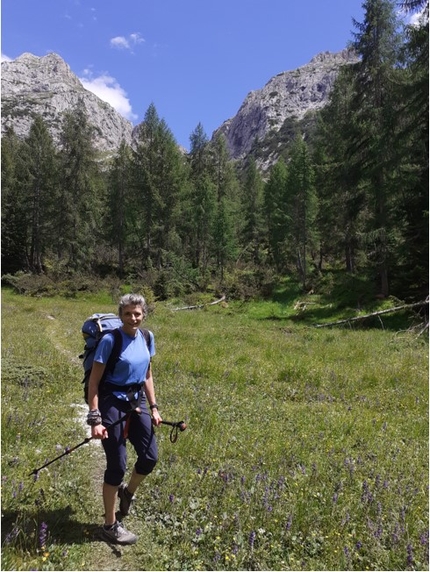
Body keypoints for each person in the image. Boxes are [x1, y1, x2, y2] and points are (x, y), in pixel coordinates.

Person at [86, 293, 162, 545]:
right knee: (117, 465)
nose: (133, 318)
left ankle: (127, 493)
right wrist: (95, 418)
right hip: (111, 401)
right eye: (128, 313)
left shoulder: (147, 337)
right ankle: (109, 525)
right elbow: (94, 382)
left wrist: (154, 407)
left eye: (137, 313)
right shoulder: (110, 340)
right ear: (120, 315)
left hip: (137, 400)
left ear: (144, 315)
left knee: (150, 457)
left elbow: (148, 374)